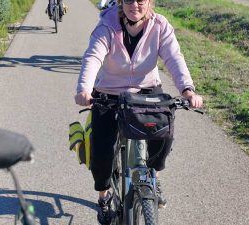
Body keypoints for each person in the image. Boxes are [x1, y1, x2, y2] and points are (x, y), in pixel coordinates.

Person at [74, 0, 203, 224]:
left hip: (147, 90)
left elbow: (174, 58)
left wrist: (187, 89)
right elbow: (93, 57)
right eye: (129, 0)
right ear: (121, 2)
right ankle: (103, 197)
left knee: (163, 133)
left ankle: (154, 177)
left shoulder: (160, 26)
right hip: (110, 92)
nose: (135, 4)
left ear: (150, 2)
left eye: (141, 0)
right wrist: (84, 89)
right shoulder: (107, 26)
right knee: (101, 151)